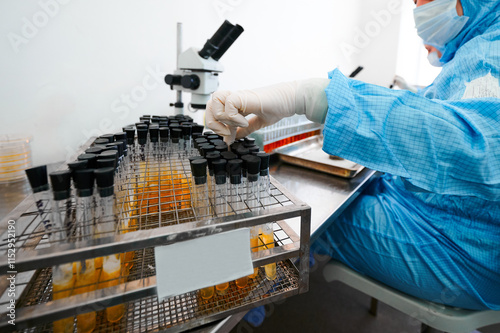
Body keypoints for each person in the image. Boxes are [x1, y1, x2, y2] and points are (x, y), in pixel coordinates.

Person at [206, 0, 500, 311]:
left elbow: (475, 149)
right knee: (293, 209)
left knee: (291, 223)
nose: (417, 7)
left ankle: (181, 279)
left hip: (460, 249)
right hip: (439, 214)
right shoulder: (476, 48)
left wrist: (313, 97)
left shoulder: (490, 52)